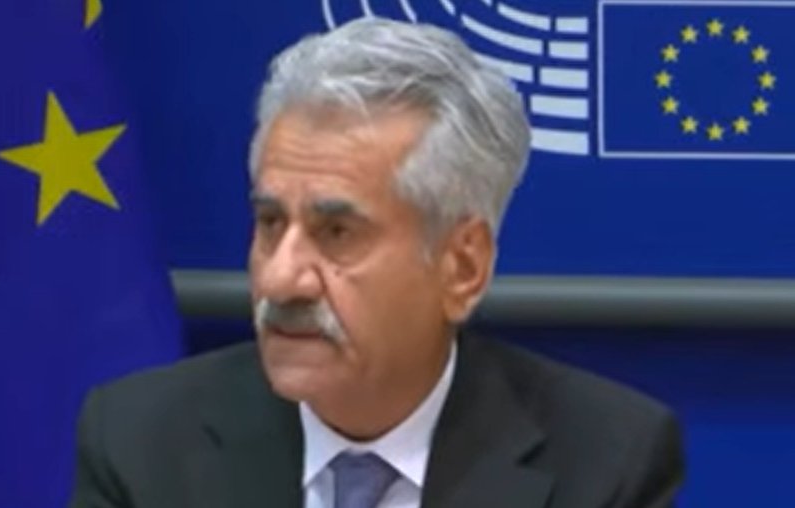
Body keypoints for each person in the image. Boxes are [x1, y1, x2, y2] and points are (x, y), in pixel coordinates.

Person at [69, 18, 684, 508]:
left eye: (337, 233)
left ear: (462, 268)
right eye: (271, 223)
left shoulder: (603, 464)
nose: (281, 278)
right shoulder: (140, 444)